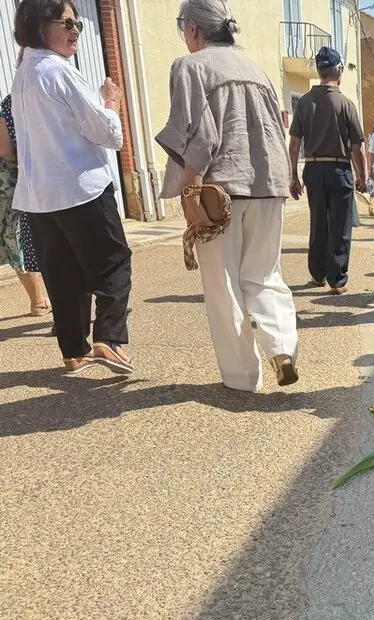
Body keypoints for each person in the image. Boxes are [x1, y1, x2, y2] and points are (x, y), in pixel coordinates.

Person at [157, 0, 299, 391]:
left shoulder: (190, 67)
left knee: (223, 286)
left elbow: (198, 136)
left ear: (193, 30)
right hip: (269, 185)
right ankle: (282, 347)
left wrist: (189, 194)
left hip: (220, 189)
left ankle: (241, 377)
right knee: (265, 274)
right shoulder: (255, 69)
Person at [12, 0, 133, 376]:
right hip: (81, 186)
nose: (75, 30)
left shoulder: (24, 74)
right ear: (38, 24)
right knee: (114, 261)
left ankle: (74, 350)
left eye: (77, 23)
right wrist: (111, 104)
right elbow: (104, 131)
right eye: (66, 23)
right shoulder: (58, 71)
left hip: (39, 195)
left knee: (63, 273)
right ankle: (108, 339)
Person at [288, 46, 366, 294]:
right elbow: (357, 146)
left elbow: (294, 143)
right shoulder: (345, 104)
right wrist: (362, 175)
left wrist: (292, 176)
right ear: (339, 70)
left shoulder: (304, 102)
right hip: (339, 168)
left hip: (312, 168)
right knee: (340, 225)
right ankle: (338, 278)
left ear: (319, 71)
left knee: (318, 222)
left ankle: (317, 273)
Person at [0, 91, 51, 318]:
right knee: (16, 237)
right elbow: (6, 151)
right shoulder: (9, 107)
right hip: (8, 186)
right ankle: (38, 301)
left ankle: (40, 301)